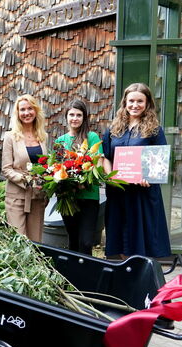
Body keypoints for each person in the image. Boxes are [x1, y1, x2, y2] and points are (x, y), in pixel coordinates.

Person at [102, 83, 171, 259]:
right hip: (119, 192)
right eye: (131, 101)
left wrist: (149, 176)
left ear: (147, 104)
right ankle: (127, 273)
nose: (135, 105)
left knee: (141, 237)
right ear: (125, 102)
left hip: (142, 193)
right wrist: (111, 177)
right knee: (122, 237)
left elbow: (159, 160)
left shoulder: (154, 130)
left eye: (140, 101)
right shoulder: (114, 129)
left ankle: (142, 277)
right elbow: (106, 157)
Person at [55, 99, 102, 255]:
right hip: (68, 197)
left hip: (88, 196)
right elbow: (56, 168)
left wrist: (83, 180)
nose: (75, 118)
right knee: (73, 239)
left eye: (79, 115)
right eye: (72, 114)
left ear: (84, 118)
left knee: (86, 241)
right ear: (66, 117)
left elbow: (98, 163)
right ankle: (73, 276)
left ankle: (87, 275)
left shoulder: (92, 137)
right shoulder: (60, 141)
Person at [2, 95, 48, 241]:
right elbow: (6, 169)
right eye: (22, 109)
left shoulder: (42, 136)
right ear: (17, 113)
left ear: (36, 111)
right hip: (17, 196)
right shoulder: (10, 137)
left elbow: (46, 165)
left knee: (36, 242)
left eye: (30, 109)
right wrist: (27, 180)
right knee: (18, 242)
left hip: (37, 196)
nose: (26, 113)